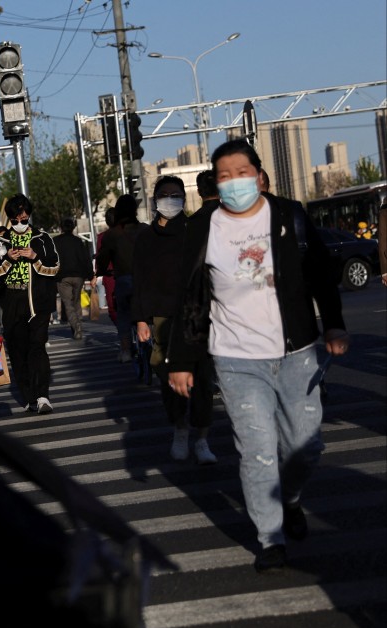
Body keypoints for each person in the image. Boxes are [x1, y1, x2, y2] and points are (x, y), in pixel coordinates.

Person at [167, 139, 349, 573]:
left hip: (297, 351)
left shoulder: (289, 215)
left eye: (241, 173)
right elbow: (190, 296)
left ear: (259, 175)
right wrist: (180, 360)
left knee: (306, 445)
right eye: (223, 177)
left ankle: (289, 498)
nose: (233, 183)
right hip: (235, 359)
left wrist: (334, 324)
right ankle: (270, 538)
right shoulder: (203, 227)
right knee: (258, 449)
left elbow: (321, 273)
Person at [131, 176, 216, 464]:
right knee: (168, 379)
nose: (170, 199)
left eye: (176, 194)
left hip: (197, 315)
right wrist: (141, 320)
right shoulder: (145, 237)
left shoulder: (195, 229)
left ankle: (202, 439)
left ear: (184, 197)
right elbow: (139, 279)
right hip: (161, 316)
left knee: (203, 379)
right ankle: (180, 428)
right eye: (165, 194)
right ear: (155, 200)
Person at [0, 193, 59, 414]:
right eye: (15, 220)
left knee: (37, 347)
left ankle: (43, 395)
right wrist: (7, 259)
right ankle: (29, 396)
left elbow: (54, 267)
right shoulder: (2, 241)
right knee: (18, 350)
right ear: (10, 218)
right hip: (12, 301)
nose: (19, 224)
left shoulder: (42, 238)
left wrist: (35, 257)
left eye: (24, 219)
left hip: (37, 301)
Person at [94, 194, 143, 363]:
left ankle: (126, 349)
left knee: (123, 314)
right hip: (146, 281)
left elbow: (102, 259)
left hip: (124, 279)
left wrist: (100, 271)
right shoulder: (145, 230)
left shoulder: (112, 235)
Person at [53, 217, 94, 340]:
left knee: (68, 304)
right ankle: (78, 325)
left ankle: (76, 326)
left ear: (61, 228)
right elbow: (85, 259)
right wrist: (91, 275)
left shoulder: (55, 242)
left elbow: (52, 259)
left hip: (62, 277)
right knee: (76, 302)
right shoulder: (78, 242)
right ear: (73, 228)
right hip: (78, 276)